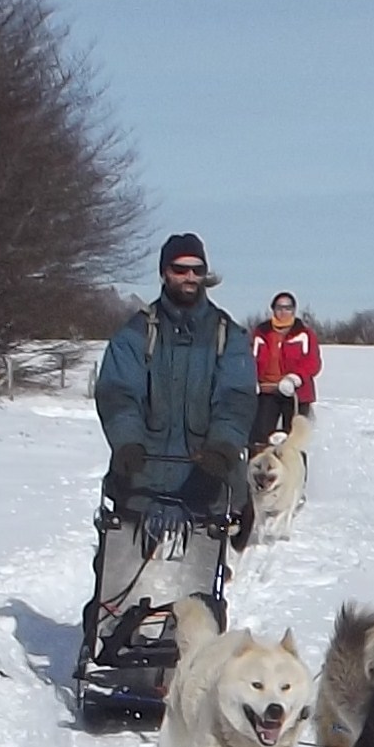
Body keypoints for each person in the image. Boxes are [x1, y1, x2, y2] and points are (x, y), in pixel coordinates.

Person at [77, 234, 258, 698]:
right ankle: (112, 650)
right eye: (180, 269)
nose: (189, 278)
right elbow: (119, 391)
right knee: (119, 574)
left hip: (205, 481)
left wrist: (222, 447)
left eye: (197, 269)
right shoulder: (137, 332)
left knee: (200, 584)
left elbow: (236, 398)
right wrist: (127, 442)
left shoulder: (226, 336)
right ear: (164, 273)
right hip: (142, 477)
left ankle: (193, 668)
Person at [253, 290, 321, 447]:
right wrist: (251, 379)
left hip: (296, 393)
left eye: (288, 308)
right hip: (267, 391)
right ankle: (260, 469)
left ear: (294, 310)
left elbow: (313, 362)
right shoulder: (261, 332)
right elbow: (251, 358)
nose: (283, 312)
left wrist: (294, 378)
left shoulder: (304, 333)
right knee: (260, 437)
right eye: (279, 308)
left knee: (294, 440)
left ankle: (295, 470)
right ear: (273, 309)